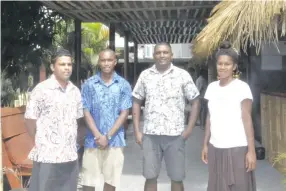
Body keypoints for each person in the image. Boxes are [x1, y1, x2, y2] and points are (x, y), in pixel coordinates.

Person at [132, 42, 200, 191]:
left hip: (175, 136)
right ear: (154, 55)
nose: (162, 55)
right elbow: (136, 101)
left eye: (165, 52)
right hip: (150, 135)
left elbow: (195, 101)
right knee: (150, 177)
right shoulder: (145, 76)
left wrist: (189, 129)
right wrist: (137, 130)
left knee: (177, 178)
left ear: (171, 55)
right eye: (159, 52)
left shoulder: (182, 75)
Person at [25, 49, 83, 191]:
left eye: (69, 64)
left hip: (70, 156)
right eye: (62, 64)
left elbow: (77, 120)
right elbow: (30, 121)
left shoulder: (75, 91)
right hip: (48, 156)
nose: (66, 68)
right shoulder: (41, 90)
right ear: (52, 67)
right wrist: (43, 141)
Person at [201, 41, 257, 191]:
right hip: (215, 147)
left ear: (234, 66)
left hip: (237, 148)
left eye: (227, 64)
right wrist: (205, 144)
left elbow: (247, 120)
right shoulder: (212, 88)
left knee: (239, 186)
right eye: (220, 64)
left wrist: (251, 151)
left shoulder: (242, 88)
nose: (223, 67)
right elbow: (209, 118)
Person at [81, 49, 132, 191]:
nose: (106, 63)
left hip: (115, 140)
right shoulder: (89, 84)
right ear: (99, 62)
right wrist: (98, 135)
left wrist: (108, 136)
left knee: (111, 182)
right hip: (93, 141)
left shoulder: (123, 85)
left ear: (115, 62)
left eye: (109, 60)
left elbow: (124, 112)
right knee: (88, 182)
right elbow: (86, 111)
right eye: (103, 60)